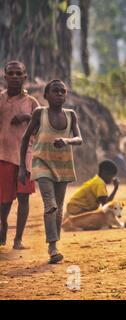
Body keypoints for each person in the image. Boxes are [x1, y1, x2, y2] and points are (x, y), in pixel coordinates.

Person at [19, 79, 82, 264]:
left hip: (63, 166)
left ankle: (55, 243)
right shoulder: (40, 113)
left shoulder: (71, 115)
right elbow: (25, 140)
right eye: (55, 91)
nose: (59, 94)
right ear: (46, 95)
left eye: (63, 91)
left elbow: (79, 138)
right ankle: (52, 246)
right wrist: (23, 167)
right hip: (41, 163)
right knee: (51, 204)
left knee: (59, 208)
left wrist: (67, 141)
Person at [0, 61, 39, 249]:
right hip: (4, 155)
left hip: (26, 157)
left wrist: (27, 117)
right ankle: (3, 225)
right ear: (5, 76)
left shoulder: (32, 103)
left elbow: (42, 126)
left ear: (25, 77)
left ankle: (18, 240)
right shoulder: (0, 100)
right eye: (11, 73)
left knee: (24, 197)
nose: (15, 77)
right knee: (4, 199)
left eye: (19, 74)